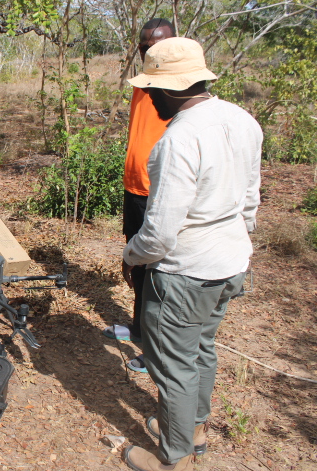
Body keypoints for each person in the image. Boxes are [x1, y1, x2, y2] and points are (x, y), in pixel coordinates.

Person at [120, 37, 262, 471]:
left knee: (175, 365)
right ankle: (194, 429)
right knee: (201, 348)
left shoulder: (176, 140)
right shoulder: (242, 120)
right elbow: (251, 202)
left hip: (185, 272)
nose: (147, 97)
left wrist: (131, 256)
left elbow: (160, 232)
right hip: (230, 262)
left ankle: (174, 457)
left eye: (150, 89)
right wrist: (231, 239)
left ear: (167, 90)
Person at [103, 18, 175, 374]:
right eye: (144, 47)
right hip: (135, 187)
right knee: (136, 264)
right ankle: (137, 327)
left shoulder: (177, 88)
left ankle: (155, 347)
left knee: (158, 270)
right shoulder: (141, 83)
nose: (150, 52)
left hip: (162, 192)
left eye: (157, 46)